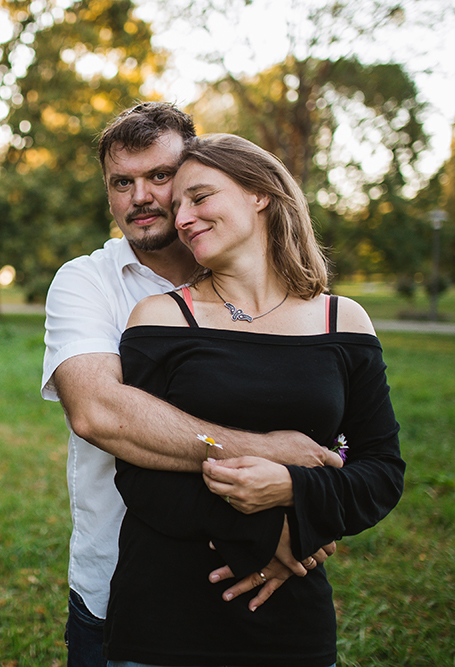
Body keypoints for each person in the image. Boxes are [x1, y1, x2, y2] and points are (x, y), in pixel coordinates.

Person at [42, 103, 343, 667]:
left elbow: (337, 434)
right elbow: (97, 414)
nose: (140, 197)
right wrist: (276, 455)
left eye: (160, 176)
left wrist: (312, 511)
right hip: (126, 586)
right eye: (121, 182)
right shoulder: (87, 282)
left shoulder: (265, 288)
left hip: (276, 586)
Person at [103, 133, 406, 666]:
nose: (184, 219)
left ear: (260, 192)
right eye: (178, 209)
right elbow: (137, 471)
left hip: (291, 625)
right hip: (165, 620)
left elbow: (380, 472)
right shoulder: (161, 317)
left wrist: (291, 488)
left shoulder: (343, 320)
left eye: (199, 197)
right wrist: (272, 533)